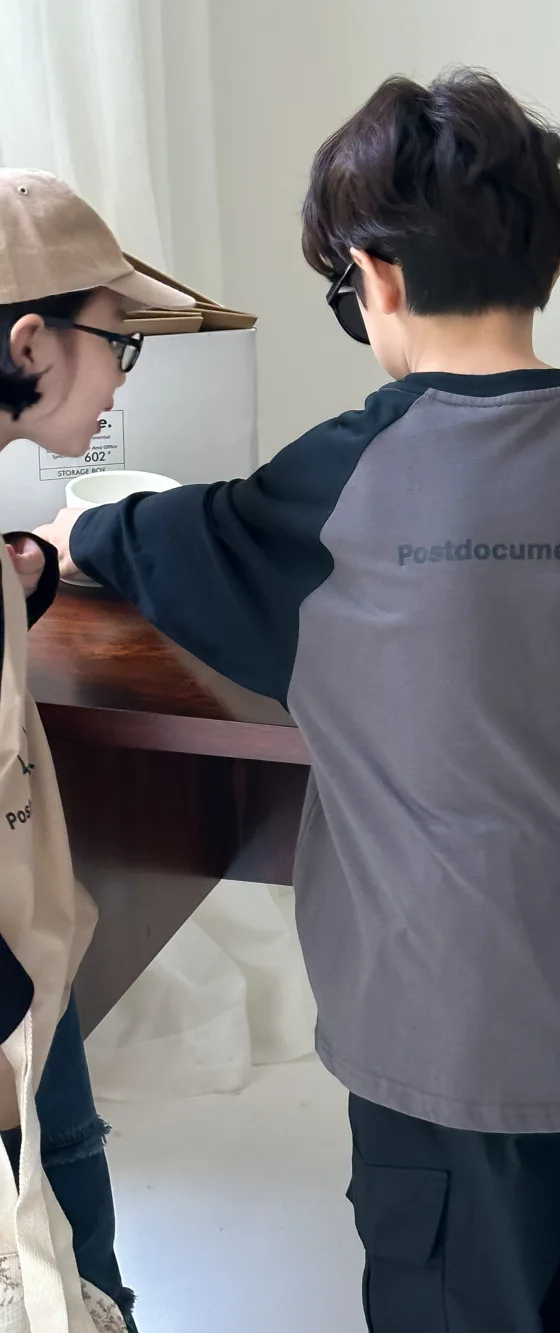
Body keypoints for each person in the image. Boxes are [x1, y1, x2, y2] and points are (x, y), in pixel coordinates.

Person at [40, 71, 560, 1332]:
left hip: (442, 1040)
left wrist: (78, 530)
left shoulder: (330, 487)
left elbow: (162, 537)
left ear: (373, 277)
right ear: (545, 262)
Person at [1, 166, 196, 1331]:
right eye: (116, 339)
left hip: (27, 949)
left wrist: (26, 570)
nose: (122, 373)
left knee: (72, 1171)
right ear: (31, 343)